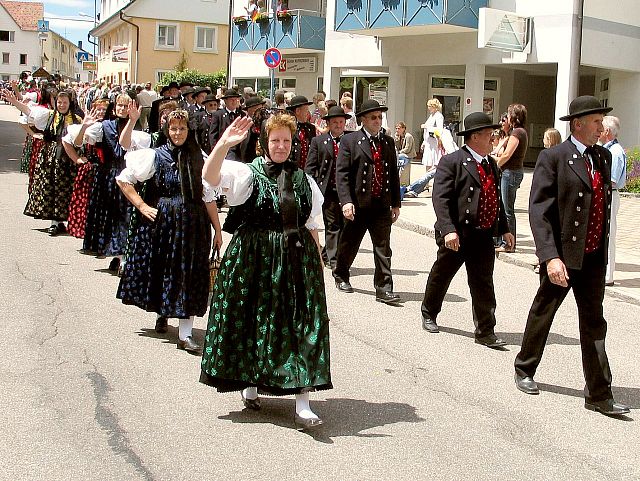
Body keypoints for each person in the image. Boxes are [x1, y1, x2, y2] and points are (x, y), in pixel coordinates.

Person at [199, 113, 332, 431]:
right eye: (275, 140)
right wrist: (223, 144)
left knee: (301, 325)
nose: (281, 146)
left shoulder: (305, 180)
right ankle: (251, 382)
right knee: (254, 322)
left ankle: (303, 403)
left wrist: (318, 264)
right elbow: (210, 176)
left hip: (296, 258)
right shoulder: (247, 173)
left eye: (287, 140)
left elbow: (311, 225)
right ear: (264, 143)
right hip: (253, 257)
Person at [514, 96, 629, 417]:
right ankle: (524, 368)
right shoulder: (553, 157)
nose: (601, 127)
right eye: (596, 122)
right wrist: (549, 256)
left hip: (592, 257)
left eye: (602, 122)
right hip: (562, 256)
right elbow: (540, 211)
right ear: (577, 124)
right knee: (544, 312)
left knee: (594, 322)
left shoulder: (602, 157)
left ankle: (599, 393)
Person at [115, 109, 222, 352]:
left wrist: (217, 229)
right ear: (167, 130)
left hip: (194, 224)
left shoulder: (200, 157)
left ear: (189, 130)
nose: (177, 133)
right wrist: (142, 205)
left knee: (191, 275)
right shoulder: (155, 156)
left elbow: (208, 197)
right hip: (164, 222)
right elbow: (124, 180)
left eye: (182, 128)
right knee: (164, 270)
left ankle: (185, 334)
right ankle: (162, 313)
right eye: (173, 128)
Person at [420, 112, 514, 348]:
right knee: (443, 274)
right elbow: (440, 199)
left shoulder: (491, 164)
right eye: (489, 134)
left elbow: (496, 200)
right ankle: (429, 312)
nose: (493, 138)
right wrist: (448, 229)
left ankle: (485, 330)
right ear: (474, 137)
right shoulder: (452, 161)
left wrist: (504, 229)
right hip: (458, 233)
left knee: (483, 283)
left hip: (483, 234)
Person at [333, 99, 402, 305]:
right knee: (349, 243)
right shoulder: (350, 141)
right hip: (358, 203)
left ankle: (384, 288)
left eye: (380, 117)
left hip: (381, 204)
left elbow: (393, 174)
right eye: (373, 117)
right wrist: (345, 201)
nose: (377, 121)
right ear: (363, 119)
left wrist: (396, 203)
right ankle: (341, 274)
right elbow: (342, 174)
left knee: (383, 247)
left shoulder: (387, 142)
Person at [2, 88, 82, 235]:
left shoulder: (76, 119)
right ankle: (55, 222)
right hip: (50, 156)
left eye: (65, 102)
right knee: (51, 188)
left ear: (70, 103)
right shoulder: (49, 115)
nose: (62, 105)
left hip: (68, 157)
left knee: (66, 189)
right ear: (55, 103)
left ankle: (66, 221)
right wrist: (14, 101)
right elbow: (29, 111)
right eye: (59, 102)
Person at [305, 106, 351, 269]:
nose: (339, 125)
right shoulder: (319, 141)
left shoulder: (351, 140)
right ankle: (333, 259)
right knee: (332, 225)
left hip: (347, 191)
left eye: (341, 122)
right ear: (329, 124)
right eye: (335, 122)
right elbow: (310, 167)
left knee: (346, 225)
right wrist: (310, 186)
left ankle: (327, 253)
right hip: (328, 190)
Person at [494, 104, 528, 252]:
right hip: (513, 172)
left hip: (511, 173)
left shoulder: (517, 133)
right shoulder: (518, 132)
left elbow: (507, 154)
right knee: (506, 208)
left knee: (507, 210)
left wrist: (495, 166)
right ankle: (504, 241)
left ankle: (509, 244)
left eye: (508, 115)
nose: (506, 118)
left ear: (513, 117)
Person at [598, 116, 626, 286]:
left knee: (609, 233)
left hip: (610, 194)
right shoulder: (608, 149)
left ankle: (608, 275)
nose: (599, 131)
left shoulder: (614, 152)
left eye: (601, 128)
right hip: (607, 193)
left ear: (607, 131)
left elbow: (612, 179)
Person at [402, 128, 458, 199]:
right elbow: (440, 160)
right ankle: (414, 191)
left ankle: (409, 189)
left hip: (448, 169)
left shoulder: (449, 148)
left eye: (437, 138)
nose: (437, 140)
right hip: (442, 168)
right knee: (426, 176)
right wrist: (434, 167)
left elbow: (450, 160)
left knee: (427, 177)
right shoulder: (441, 149)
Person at [208, 87, 245, 161]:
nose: (234, 102)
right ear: (225, 101)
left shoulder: (242, 114)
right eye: (231, 100)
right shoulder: (218, 115)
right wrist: (215, 151)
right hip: (224, 150)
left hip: (239, 151)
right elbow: (213, 134)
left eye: (235, 99)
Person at [286, 95, 316, 169]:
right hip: (291, 169)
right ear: (298, 111)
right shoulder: (288, 128)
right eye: (306, 110)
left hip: (308, 170)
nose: (308, 113)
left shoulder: (311, 128)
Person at [420, 98, 445, 168]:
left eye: (430, 106)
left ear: (434, 107)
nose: (428, 108)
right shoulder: (431, 116)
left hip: (434, 142)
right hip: (429, 142)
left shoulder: (439, 116)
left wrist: (427, 127)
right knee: (428, 162)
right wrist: (424, 142)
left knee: (433, 161)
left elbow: (439, 129)